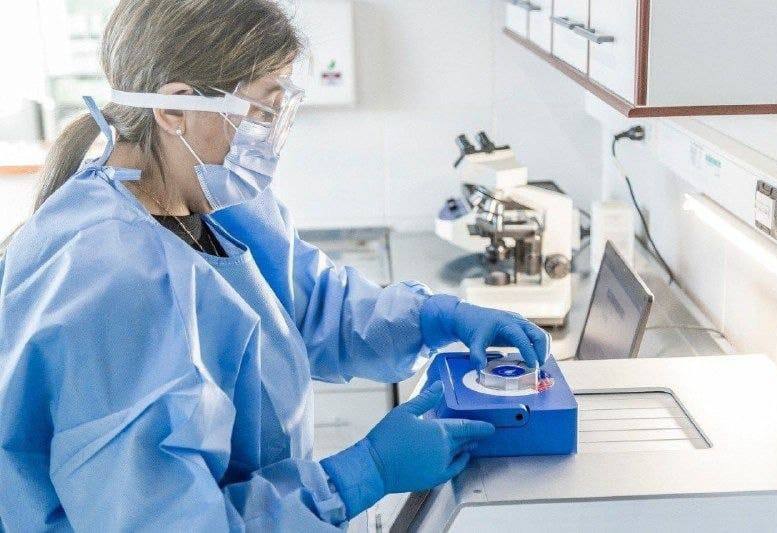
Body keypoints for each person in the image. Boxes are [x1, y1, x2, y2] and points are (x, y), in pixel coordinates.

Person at [0, 1, 550, 530]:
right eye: (263, 111)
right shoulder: (109, 274)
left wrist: (436, 318)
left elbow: (310, 304)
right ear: (174, 109)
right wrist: (358, 475)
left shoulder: (212, 196)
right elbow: (164, 522)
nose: (272, 133)